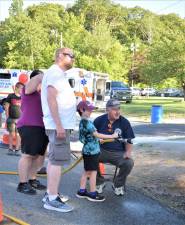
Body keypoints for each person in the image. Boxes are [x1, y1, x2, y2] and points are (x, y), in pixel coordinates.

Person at [41, 47, 76, 213]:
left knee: (54, 160)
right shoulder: (55, 73)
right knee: (57, 161)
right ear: (60, 56)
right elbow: (51, 99)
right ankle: (52, 199)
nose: (73, 58)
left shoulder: (58, 74)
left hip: (58, 125)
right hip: (58, 126)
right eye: (71, 56)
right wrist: (59, 125)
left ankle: (50, 193)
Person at [76, 100, 118, 202]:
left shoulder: (82, 122)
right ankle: (93, 193)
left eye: (91, 110)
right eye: (89, 110)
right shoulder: (87, 123)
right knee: (93, 172)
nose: (91, 112)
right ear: (82, 110)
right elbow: (96, 134)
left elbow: (88, 136)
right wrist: (112, 136)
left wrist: (98, 140)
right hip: (92, 152)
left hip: (87, 150)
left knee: (87, 172)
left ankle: (82, 191)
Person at [16, 70, 49, 195]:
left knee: (36, 156)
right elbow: (33, 82)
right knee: (28, 155)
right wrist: (43, 75)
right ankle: (22, 184)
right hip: (29, 125)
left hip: (41, 127)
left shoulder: (41, 93)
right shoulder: (27, 89)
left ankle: (32, 179)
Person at [94, 99, 135, 196]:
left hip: (118, 153)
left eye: (119, 109)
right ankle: (99, 182)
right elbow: (91, 136)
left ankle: (117, 184)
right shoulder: (99, 120)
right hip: (101, 150)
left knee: (129, 163)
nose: (118, 112)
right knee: (89, 157)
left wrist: (128, 152)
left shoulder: (124, 122)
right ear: (107, 110)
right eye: (114, 109)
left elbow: (129, 140)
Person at [4, 82, 24, 155]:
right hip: (11, 118)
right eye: (21, 88)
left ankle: (17, 149)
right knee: (11, 134)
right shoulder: (11, 96)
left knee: (18, 134)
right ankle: (10, 148)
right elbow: (7, 106)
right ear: (17, 88)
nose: (22, 90)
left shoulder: (23, 97)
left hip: (20, 119)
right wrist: (7, 117)